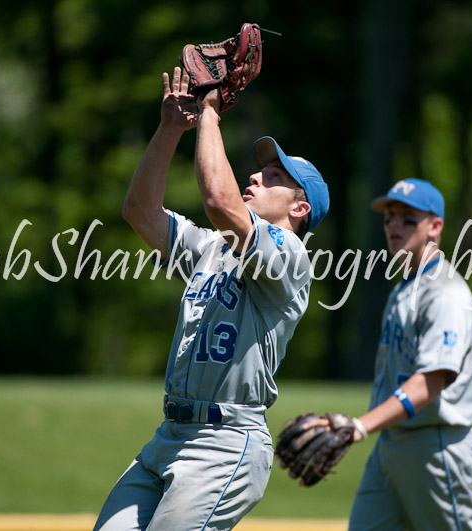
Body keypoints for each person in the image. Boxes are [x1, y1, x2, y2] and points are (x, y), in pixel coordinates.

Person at [92, 67, 329, 530]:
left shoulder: (290, 256)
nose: (257, 177)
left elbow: (220, 202)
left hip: (225, 445)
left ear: (299, 208)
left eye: (274, 175)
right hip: (169, 435)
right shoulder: (214, 248)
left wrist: (210, 114)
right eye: (260, 169)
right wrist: (168, 130)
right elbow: (140, 212)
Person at [346, 178, 472, 530]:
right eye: (389, 216)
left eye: (408, 217)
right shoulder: (405, 289)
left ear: (434, 226)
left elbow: (429, 383)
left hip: (432, 448)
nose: (394, 224)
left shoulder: (445, 292)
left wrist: (360, 426)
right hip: (390, 448)